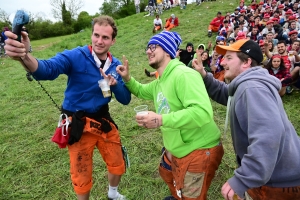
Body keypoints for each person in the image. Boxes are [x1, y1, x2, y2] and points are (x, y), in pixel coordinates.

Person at [4, 15, 131, 200]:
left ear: (113, 40)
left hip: (103, 120)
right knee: (81, 173)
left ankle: (113, 193)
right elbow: (47, 69)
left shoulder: (117, 65)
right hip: (78, 123)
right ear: (92, 34)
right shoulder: (76, 56)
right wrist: (24, 55)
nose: (99, 41)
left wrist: (116, 85)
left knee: (117, 161)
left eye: (105, 37)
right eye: (96, 35)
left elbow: (126, 99)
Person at [117, 31, 223, 200]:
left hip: (201, 148)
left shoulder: (184, 75)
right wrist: (127, 78)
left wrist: (160, 120)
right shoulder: (161, 80)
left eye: (153, 47)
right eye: (147, 48)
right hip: (180, 147)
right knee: (166, 172)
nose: (148, 51)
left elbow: (202, 112)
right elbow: (141, 90)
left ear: (167, 50)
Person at [192, 39, 300, 200]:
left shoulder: (252, 88)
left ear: (246, 62)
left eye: (229, 58)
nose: (222, 62)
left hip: (276, 183)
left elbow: (268, 137)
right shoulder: (246, 85)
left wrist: (244, 178)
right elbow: (227, 94)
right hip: (272, 175)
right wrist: (204, 75)